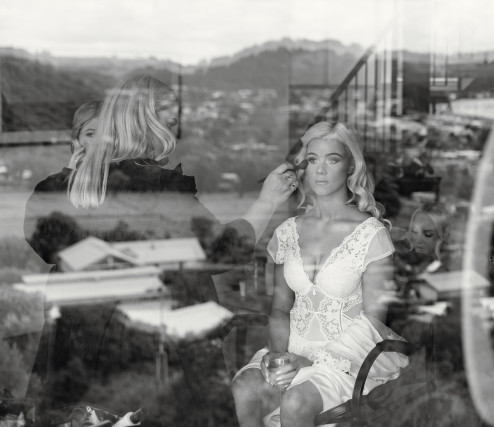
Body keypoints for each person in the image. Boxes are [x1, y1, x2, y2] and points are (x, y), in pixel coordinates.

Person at [22, 75, 298, 420]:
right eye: (168, 118)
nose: (174, 126)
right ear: (145, 122)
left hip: (81, 351)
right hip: (151, 355)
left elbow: (43, 241)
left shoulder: (65, 189)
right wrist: (267, 201)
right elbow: (223, 251)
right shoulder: (157, 190)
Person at [231, 122, 407, 427]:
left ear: (351, 166)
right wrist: (277, 355)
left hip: (349, 357)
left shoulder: (371, 234)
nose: (321, 170)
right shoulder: (287, 232)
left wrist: (310, 362)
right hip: (292, 349)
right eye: (313, 160)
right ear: (303, 167)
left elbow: (374, 319)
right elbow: (280, 308)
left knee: (296, 401)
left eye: (332, 159)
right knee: (245, 389)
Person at [30, 100, 101, 192]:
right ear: (76, 141)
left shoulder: (119, 181)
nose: (100, 141)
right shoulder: (48, 187)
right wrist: (68, 175)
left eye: (108, 134)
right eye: (90, 134)